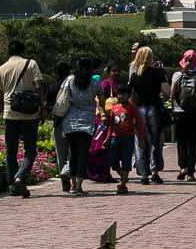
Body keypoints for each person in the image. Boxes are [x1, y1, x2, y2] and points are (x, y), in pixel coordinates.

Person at [0, 39, 44, 198]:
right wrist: (42, 109)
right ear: (23, 51)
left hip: (10, 113)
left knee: (11, 151)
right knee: (30, 150)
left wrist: (4, 110)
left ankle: (13, 186)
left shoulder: (1, 69)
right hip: (30, 114)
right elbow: (38, 88)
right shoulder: (31, 64)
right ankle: (20, 177)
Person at [59, 57, 102, 196]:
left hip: (70, 121)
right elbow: (102, 99)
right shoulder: (95, 83)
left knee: (73, 154)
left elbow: (62, 97)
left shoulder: (70, 80)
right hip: (87, 122)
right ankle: (79, 185)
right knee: (83, 154)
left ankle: (72, 185)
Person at [129, 46, 168, 185]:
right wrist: (163, 99)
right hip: (154, 107)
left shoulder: (134, 76)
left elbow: (132, 96)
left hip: (139, 109)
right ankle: (155, 171)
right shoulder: (158, 73)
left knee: (141, 141)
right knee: (155, 141)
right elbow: (167, 91)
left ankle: (144, 173)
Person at [170, 50, 196, 181]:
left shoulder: (177, 75)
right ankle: (190, 172)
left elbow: (172, 95)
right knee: (193, 143)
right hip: (195, 112)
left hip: (180, 113)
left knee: (181, 142)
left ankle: (182, 167)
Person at [104, 93, 144, 194]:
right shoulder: (114, 108)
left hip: (128, 137)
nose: (122, 97)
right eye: (120, 94)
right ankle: (123, 176)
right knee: (113, 161)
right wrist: (107, 139)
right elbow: (111, 125)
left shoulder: (132, 108)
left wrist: (141, 139)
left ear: (128, 95)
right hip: (115, 137)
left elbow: (139, 124)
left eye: (124, 94)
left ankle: (122, 185)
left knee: (126, 160)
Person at [50, 59, 72, 193]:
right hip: (71, 121)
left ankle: (63, 174)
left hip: (57, 121)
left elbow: (47, 105)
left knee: (60, 152)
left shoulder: (53, 87)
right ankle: (68, 172)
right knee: (72, 152)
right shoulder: (71, 85)